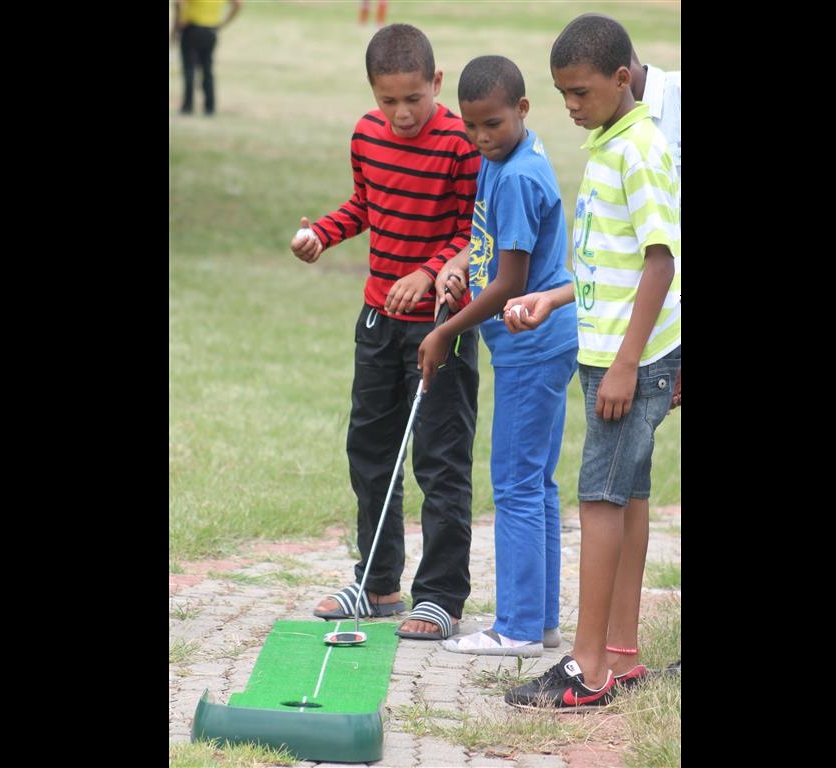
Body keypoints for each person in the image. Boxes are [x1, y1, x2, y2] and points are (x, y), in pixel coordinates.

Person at [502, 13, 680, 707]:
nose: (571, 106)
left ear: (621, 77)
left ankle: (587, 669)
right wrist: (552, 298)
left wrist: (630, 365)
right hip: (608, 353)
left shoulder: (639, 150)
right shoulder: (611, 141)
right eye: (563, 94)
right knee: (626, 494)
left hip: (624, 364)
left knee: (599, 499)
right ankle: (621, 655)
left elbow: (661, 263)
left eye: (580, 92)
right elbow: (613, 260)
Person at [290, 23, 481, 642]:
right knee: (371, 455)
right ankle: (376, 585)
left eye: (413, 99)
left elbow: (475, 233)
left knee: (439, 460)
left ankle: (442, 596)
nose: (401, 113)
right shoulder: (366, 134)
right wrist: (322, 233)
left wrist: (427, 273)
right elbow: (366, 206)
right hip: (377, 321)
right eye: (387, 100)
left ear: (437, 82)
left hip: (441, 325)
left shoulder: (461, 144)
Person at [417, 55, 578, 657]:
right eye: (471, 126)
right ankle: (540, 622)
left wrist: (445, 332)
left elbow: (511, 282)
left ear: (522, 109)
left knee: (514, 484)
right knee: (536, 483)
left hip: (532, 347)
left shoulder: (515, 178)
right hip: (538, 343)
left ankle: (516, 628)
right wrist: (460, 265)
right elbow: (488, 247)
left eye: (493, 124)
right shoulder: (506, 158)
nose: (481, 137)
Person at [171, 0, 243, 116]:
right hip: (211, 30)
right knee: (207, 69)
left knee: (189, 69)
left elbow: (179, 3)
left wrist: (178, 24)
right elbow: (238, 4)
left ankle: (188, 106)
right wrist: (224, 23)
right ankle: (209, 107)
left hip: (191, 27)